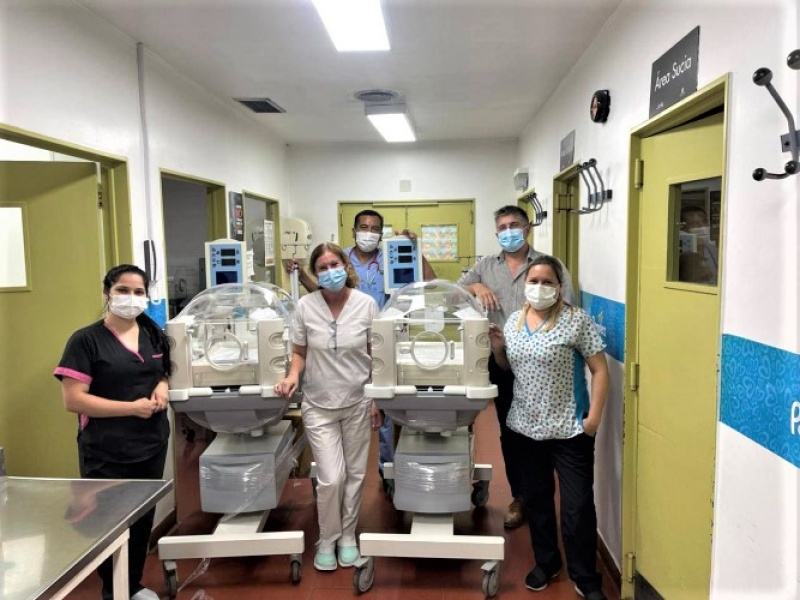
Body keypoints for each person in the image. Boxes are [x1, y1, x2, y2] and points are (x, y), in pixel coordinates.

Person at [284, 209, 436, 494]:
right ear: (354, 231)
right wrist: (301, 274)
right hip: (345, 346)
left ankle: (387, 470)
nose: (369, 232)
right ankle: (335, 473)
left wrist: (414, 250)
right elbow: (323, 293)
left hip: (385, 340)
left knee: (383, 409)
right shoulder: (339, 259)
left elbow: (428, 280)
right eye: (364, 227)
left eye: (375, 228)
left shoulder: (391, 255)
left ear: (381, 233)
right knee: (343, 414)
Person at [488, 255, 609, 600]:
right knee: (538, 502)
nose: (539, 288)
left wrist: (593, 419)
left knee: (577, 507)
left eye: (547, 282)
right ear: (525, 285)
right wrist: (498, 349)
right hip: (526, 428)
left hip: (570, 429)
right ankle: (547, 562)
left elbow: (600, 370)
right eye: (534, 281)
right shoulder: (514, 321)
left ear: (559, 286)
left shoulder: (575, 321)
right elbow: (507, 367)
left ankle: (585, 576)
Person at [54, 264, 172, 600]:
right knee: (108, 523)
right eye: (122, 290)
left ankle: (132, 586)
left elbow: (162, 371)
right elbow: (74, 400)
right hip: (106, 450)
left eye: (138, 292)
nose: (131, 298)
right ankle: (114, 590)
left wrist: (162, 386)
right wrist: (131, 408)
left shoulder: (152, 333)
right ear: (107, 293)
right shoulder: (86, 341)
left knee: (142, 519)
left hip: (151, 443)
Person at [458, 204, 574, 529]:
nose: (508, 231)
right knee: (510, 431)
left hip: (542, 363)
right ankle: (520, 497)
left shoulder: (547, 265)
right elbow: (455, 292)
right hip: (501, 359)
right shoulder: (486, 266)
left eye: (514, 225)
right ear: (496, 233)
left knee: (543, 432)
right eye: (502, 227)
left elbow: (568, 307)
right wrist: (476, 287)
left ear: (527, 228)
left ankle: (544, 498)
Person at [275, 242, 381, 571]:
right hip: (318, 403)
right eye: (322, 268)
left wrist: (376, 397)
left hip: (358, 401)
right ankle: (327, 537)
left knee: (355, 474)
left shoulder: (366, 304)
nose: (330, 272)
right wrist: (292, 376)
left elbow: (377, 355)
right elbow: (299, 352)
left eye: (334, 264)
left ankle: (347, 536)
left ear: (345, 266)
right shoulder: (305, 306)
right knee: (331, 478)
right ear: (315, 273)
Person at [679, 206, 718, 284]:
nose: (703, 226)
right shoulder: (679, 255)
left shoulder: (714, 250)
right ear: (683, 230)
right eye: (694, 223)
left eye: (705, 221)